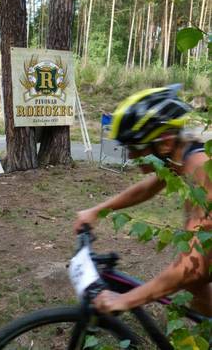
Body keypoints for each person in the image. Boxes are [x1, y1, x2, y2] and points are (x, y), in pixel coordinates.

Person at [74, 84, 212, 317]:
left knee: (194, 276)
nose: (130, 156)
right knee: (196, 285)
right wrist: (98, 210)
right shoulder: (178, 158)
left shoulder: (201, 170)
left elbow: (189, 269)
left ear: (165, 142)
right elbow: (147, 188)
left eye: (136, 147)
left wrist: (125, 300)